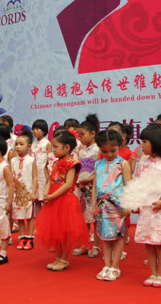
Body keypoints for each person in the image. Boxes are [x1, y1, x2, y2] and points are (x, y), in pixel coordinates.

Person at [121, 123, 161, 288]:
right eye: (142, 141)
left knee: (160, 243)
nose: (142, 145)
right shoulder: (142, 163)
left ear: (156, 142)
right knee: (148, 242)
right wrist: (134, 202)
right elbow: (137, 183)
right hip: (146, 208)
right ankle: (152, 273)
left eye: (145, 142)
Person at [36, 130, 89, 271]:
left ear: (67, 147)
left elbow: (68, 184)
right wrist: (46, 193)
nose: (53, 150)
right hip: (53, 200)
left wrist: (52, 195)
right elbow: (50, 180)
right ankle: (57, 257)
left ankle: (64, 259)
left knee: (65, 233)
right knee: (55, 231)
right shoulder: (55, 162)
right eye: (53, 147)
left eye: (56, 147)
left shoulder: (72, 162)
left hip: (65, 200)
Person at [91, 129, 131, 281]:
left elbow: (128, 185)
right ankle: (106, 265)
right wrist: (93, 206)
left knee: (118, 236)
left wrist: (127, 204)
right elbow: (95, 186)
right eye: (104, 151)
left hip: (118, 206)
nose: (108, 154)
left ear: (119, 146)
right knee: (105, 236)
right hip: (101, 206)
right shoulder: (98, 164)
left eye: (113, 151)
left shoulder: (123, 164)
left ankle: (115, 266)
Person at [75, 114, 100, 257]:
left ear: (93, 133)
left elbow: (99, 170)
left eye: (82, 134)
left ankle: (95, 246)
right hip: (82, 187)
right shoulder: (81, 151)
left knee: (94, 218)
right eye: (79, 135)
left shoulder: (98, 150)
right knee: (82, 216)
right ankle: (84, 244)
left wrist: (90, 179)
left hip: (93, 187)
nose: (80, 138)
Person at [11, 130, 37, 250]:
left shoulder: (31, 160)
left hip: (28, 192)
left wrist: (34, 192)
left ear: (29, 146)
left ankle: (30, 238)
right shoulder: (13, 160)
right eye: (17, 144)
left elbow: (34, 177)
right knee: (19, 216)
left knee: (29, 215)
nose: (18, 147)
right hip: (17, 193)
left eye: (21, 144)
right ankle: (22, 238)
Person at [31, 119, 52, 237]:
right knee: (36, 201)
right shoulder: (33, 145)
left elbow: (50, 160)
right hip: (34, 175)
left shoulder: (47, 144)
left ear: (44, 130)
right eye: (33, 129)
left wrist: (49, 175)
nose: (35, 131)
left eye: (37, 129)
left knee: (45, 199)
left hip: (44, 175)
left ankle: (47, 225)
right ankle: (38, 226)